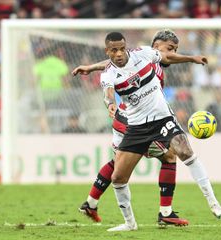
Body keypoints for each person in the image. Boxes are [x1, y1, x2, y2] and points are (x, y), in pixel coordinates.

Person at [99, 32, 221, 232]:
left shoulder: (142, 53)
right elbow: (108, 94)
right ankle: (130, 223)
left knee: (185, 152)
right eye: (114, 50)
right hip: (136, 126)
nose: (119, 53)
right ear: (108, 52)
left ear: (127, 47)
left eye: (122, 48)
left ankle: (214, 203)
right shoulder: (107, 74)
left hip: (162, 119)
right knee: (117, 178)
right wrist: (110, 105)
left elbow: (166, 57)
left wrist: (191, 58)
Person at [72, 30, 190, 226]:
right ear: (156, 47)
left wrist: (91, 67)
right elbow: (114, 64)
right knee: (169, 156)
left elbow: (112, 62)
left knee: (118, 162)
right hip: (133, 122)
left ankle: (91, 203)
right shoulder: (147, 59)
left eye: (175, 50)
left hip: (124, 119)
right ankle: (165, 213)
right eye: (169, 48)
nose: (173, 53)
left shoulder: (138, 59)